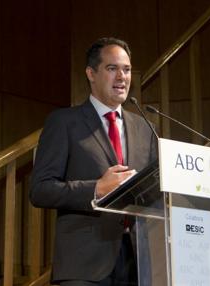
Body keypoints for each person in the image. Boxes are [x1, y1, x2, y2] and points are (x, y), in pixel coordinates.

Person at [30, 37, 157, 285]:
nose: (122, 77)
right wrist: (96, 188)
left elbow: (153, 192)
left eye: (127, 69)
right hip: (83, 266)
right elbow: (40, 189)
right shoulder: (64, 122)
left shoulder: (145, 127)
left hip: (136, 264)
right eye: (112, 68)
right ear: (91, 73)